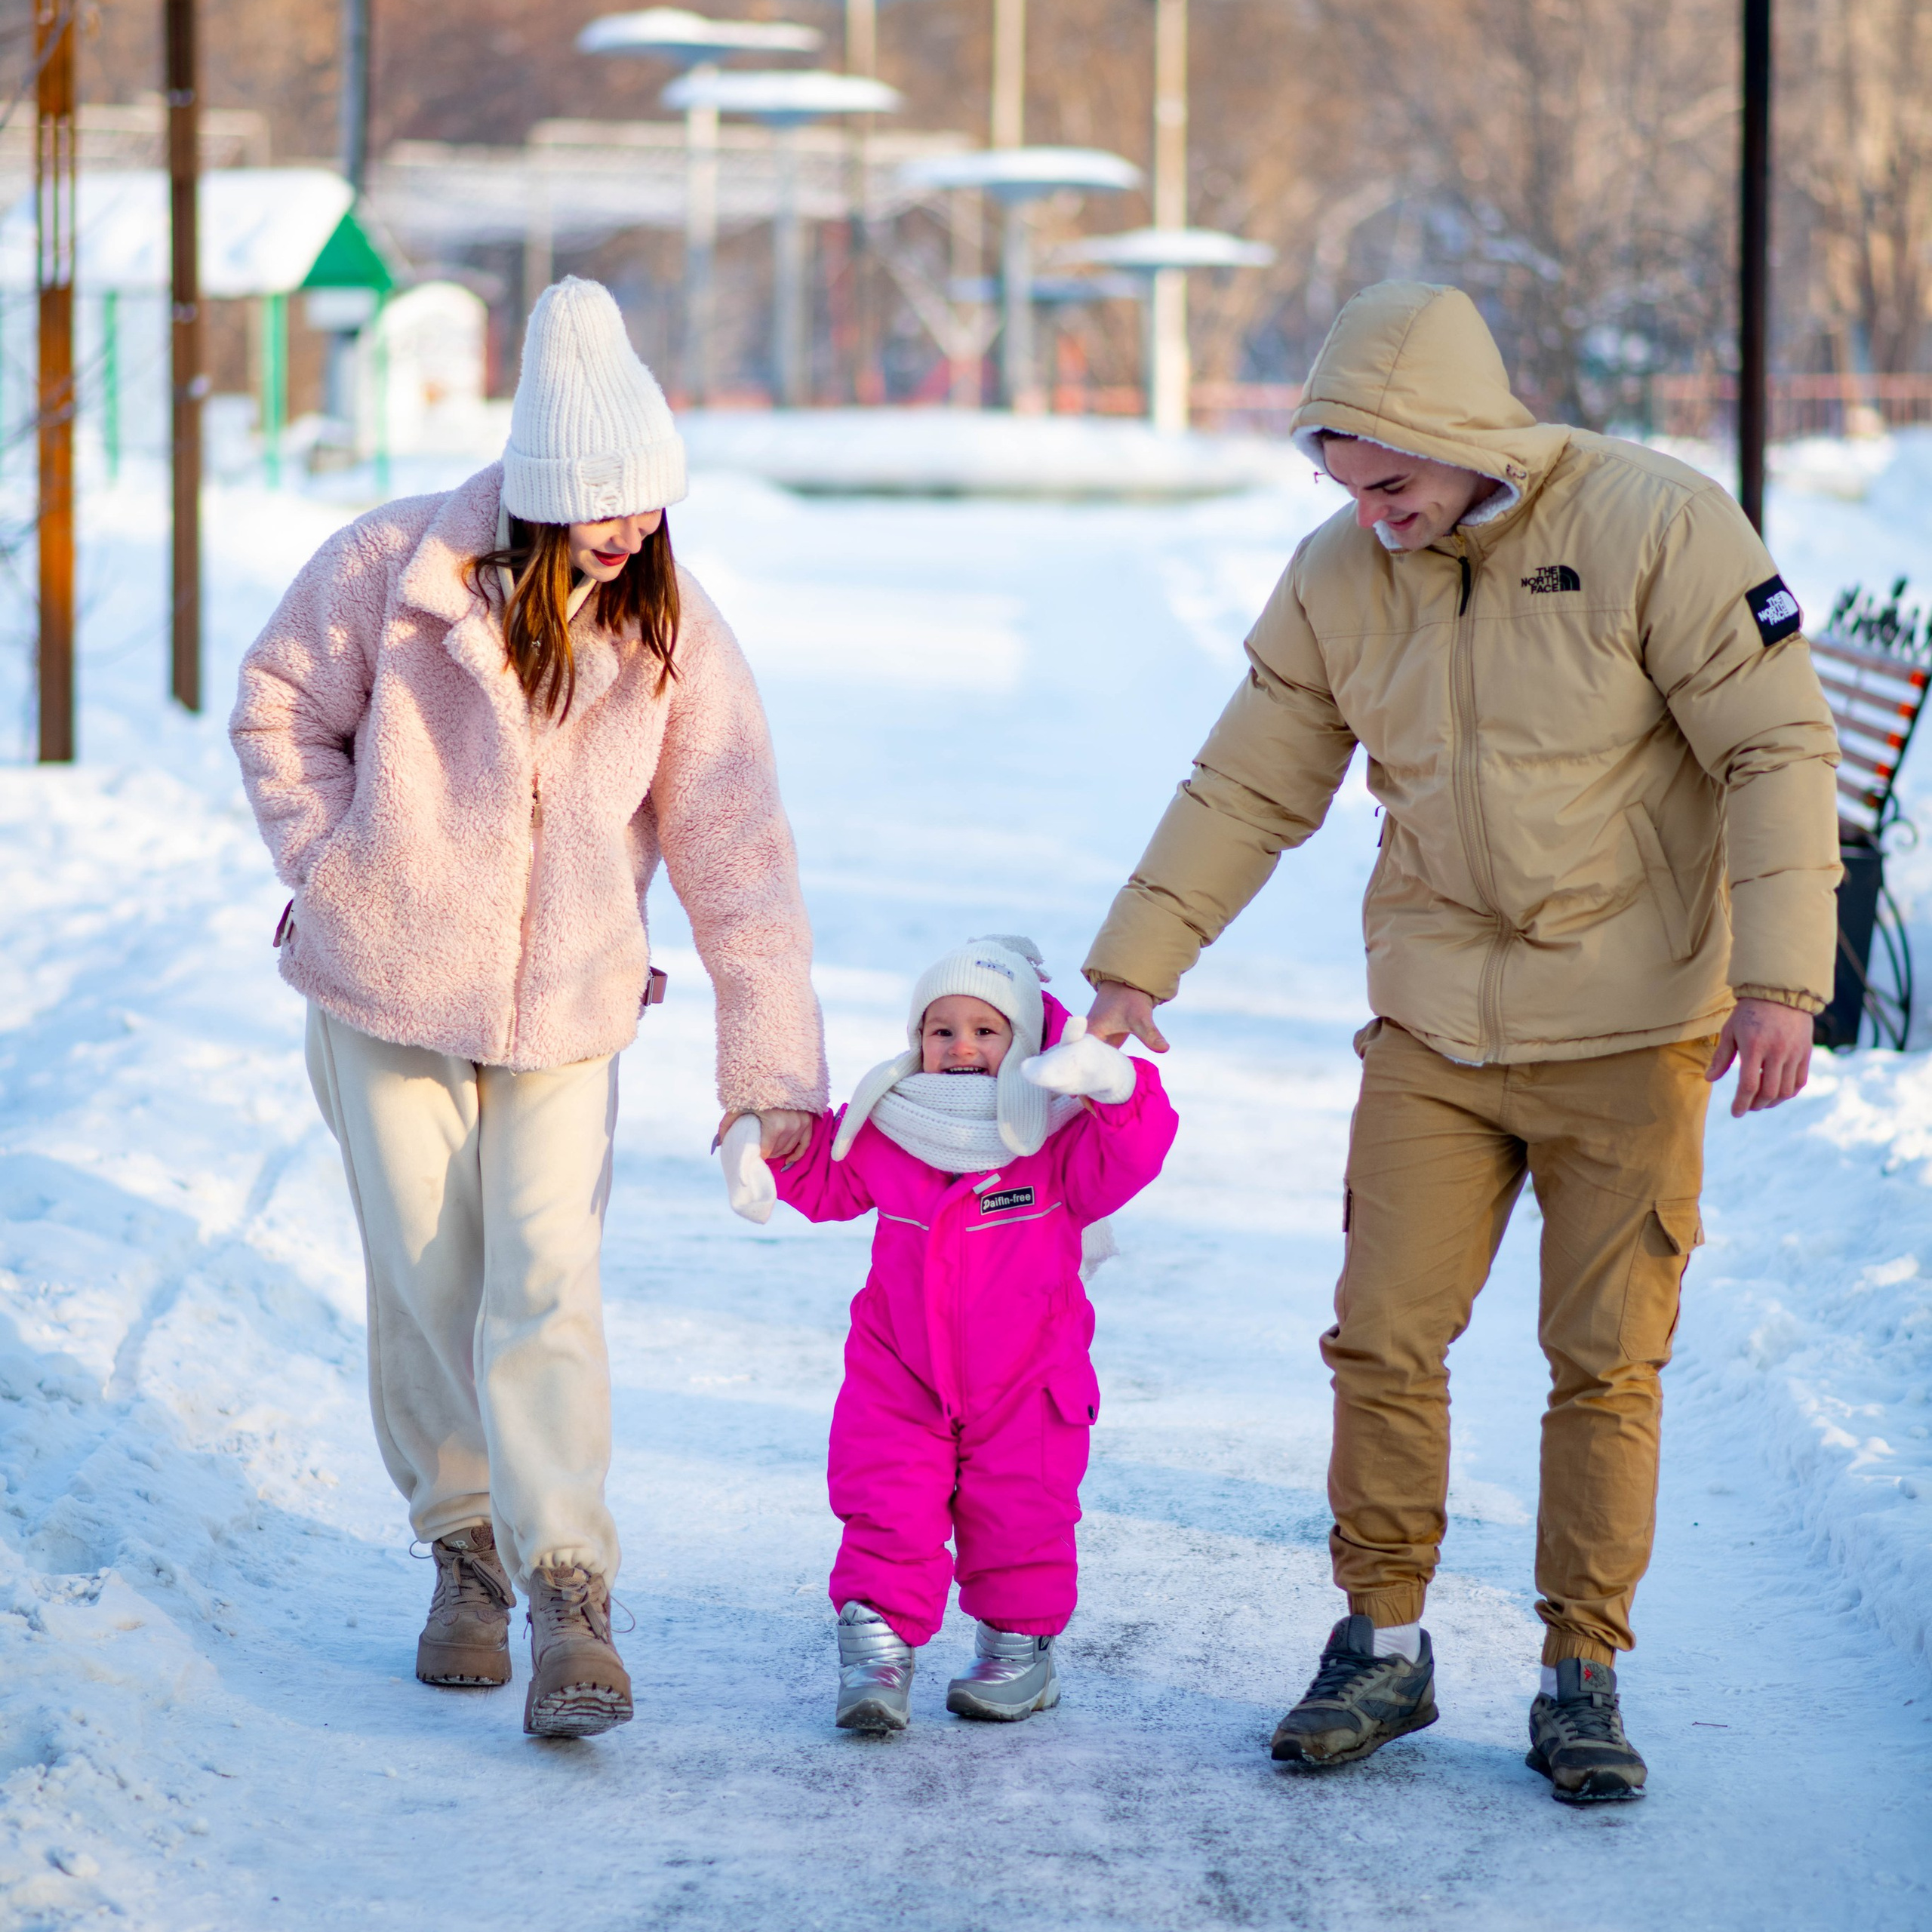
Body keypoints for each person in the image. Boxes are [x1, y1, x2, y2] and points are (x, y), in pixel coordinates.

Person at [1081, 281, 1839, 1802]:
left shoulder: (1653, 524)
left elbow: (1769, 743)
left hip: (1630, 1026)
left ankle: (1579, 1670)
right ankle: (1377, 1641)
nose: (1368, 513)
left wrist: (1779, 978)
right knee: (1381, 1335)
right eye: (1339, 484)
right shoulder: (1338, 578)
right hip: (1432, 1019)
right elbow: (1245, 786)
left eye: (1389, 480)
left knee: (1602, 1361)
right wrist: (1133, 969)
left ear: (1455, 438)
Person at [229, 278, 826, 1739]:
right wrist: (335, 864)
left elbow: (737, 854)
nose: (629, 533)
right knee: (428, 1271)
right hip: (382, 989)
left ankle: (569, 1582)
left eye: (649, 506)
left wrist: (772, 1065)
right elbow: (275, 706)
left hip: (567, 1007)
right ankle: (466, 1549)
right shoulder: (387, 567)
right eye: (601, 510)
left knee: (544, 1276)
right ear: (534, 497)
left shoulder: (673, 633)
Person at [722, 937, 1177, 1730]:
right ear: (917, 1040)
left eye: (985, 1029)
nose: (961, 1045)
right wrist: (761, 1143)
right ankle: (877, 1650)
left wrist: (1112, 1082)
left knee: (1022, 1513)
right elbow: (826, 1177)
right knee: (886, 1504)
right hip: (900, 1374)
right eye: (941, 1029)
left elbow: (1131, 1154)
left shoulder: (1057, 1137)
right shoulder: (890, 1126)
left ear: (1023, 1042)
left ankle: (1018, 1650)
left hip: (1029, 1380)